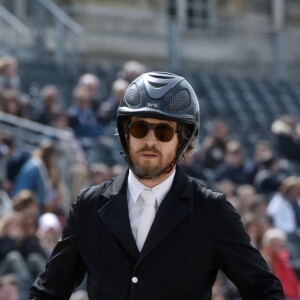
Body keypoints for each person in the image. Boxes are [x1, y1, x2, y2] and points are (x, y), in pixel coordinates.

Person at [29, 71, 284, 299]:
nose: (150, 141)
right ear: (126, 134)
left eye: (163, 132)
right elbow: (48, 291)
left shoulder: (212, 211)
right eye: (140, 128)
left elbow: (263, 289)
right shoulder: (89, 205)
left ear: (183, 141)